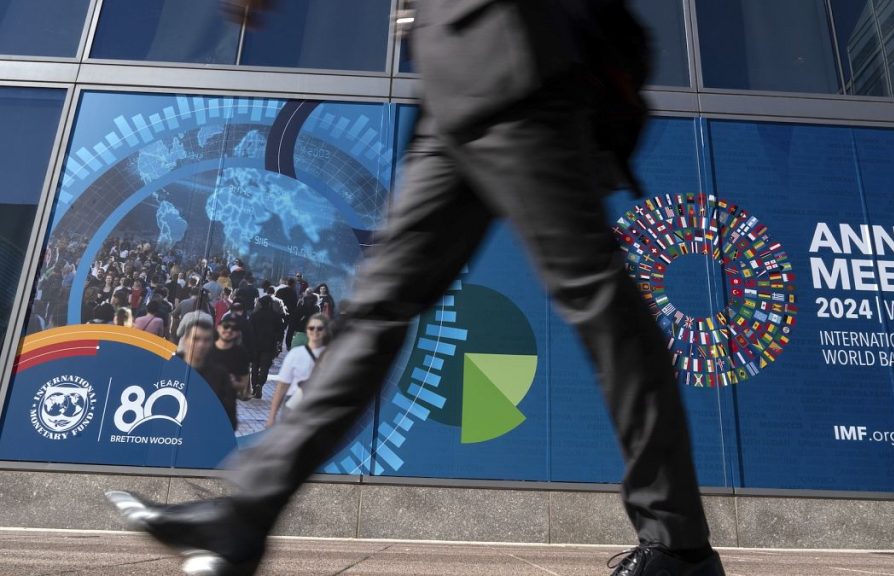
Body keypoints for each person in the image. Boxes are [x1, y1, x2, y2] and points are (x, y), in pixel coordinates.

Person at [105, 1, 724, 575]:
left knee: (598, 302)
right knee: (377, 310)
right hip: (454, 93)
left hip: (515, 69)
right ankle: (246, 515)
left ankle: (678, 542)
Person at [265, 313, 329, 427]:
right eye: (311, 328)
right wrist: (272, 416)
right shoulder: (296, 354)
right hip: (294, 405)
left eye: (319, 328)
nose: (315, 331)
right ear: (307, 329)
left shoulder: (331, 355)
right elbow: (282, 386)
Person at [176, 317, 237, 431]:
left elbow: (230, 419)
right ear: (185, 340)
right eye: (196, 339)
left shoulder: (220, 375)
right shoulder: (170, 367)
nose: (201, 344)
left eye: (206, 340)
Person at [207, 317, 252, 402]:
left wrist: (233, 383)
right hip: (205, 399)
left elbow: (244, 383)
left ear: (238, 333)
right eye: (226, 326)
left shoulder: (241, 353)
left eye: (234, 328)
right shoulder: (207, 348)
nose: (229, 330)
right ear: (219, 328)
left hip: (227, 404)